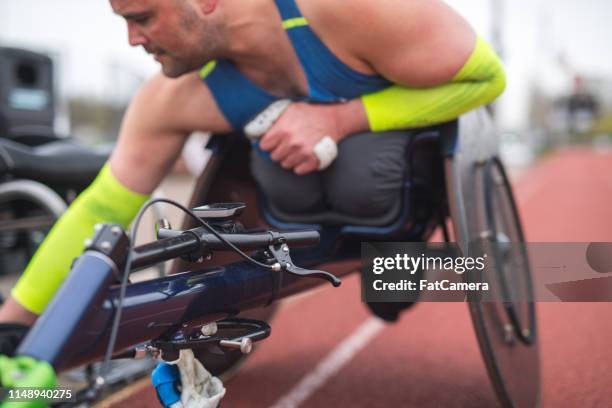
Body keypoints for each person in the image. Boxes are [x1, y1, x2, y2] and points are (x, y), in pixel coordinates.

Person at [0, 0, 505, 331]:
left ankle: (399, 263)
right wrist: (14, 324)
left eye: (143, 16)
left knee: (374, 223)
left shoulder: (350, 9)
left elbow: (486, 79)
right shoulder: (173, 99)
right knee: (283, 176)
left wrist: (345, 118)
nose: (133, 39)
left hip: (394, 203)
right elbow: (103, 207)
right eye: (125, 20)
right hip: (298, 222)